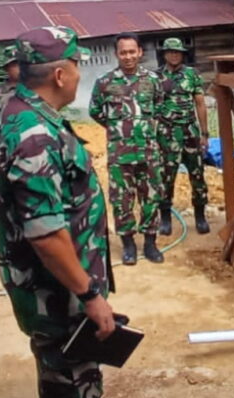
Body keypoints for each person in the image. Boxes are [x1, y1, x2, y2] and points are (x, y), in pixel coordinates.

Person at [0, 26, 134, 398]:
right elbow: (46, 234)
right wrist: (89, 294)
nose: (78, 74)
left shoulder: (35, 115)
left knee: (79, 372)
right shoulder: (32, 132)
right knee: (63, 384)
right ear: (59, 74)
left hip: (69, 282)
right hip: (56, 289)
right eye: (75, 66)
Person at [89, 32, 164, 265]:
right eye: (123, 52)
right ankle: (129, 245)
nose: (128, 56)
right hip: (120, 154)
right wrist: (118, 129)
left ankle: (151, 244)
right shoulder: (104, 83)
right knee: (121, 200)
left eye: (132, 51)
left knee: (151, 198)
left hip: (149, 152)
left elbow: (159, 108)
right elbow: (96, 111)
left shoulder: (152, 80)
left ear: (140, 52)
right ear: (116, 54)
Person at [155, 37, 210, 236]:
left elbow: (200, 104)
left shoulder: (192, 74)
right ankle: (166, 218)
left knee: (197, 174)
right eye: (170, 51)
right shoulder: (155, 77)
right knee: (166, 176)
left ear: (182, 54)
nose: (174, 54)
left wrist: (204, 133)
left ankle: (200, 216)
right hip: (167, 133)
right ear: (164, 54)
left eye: (177, 51)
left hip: (190, 131)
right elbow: (151, 107)